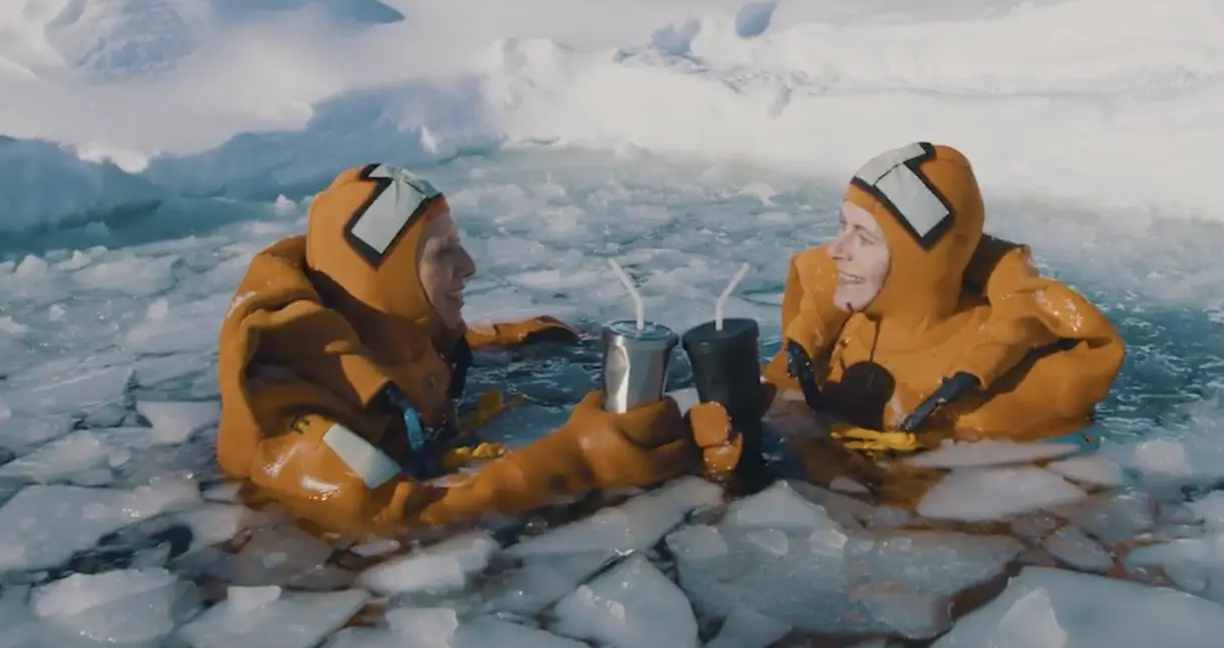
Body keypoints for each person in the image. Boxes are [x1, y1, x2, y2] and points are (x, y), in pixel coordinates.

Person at [215, 163, 727, 536]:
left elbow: (424, 351)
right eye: (442, 252)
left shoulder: (388, 337)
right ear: (382, 280)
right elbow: (394, 519)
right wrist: (579, 460)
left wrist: (518, 337)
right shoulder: (293, 413)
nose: (469, 265)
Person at [762, 142, 1125, 443]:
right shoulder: (825, 341)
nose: (835, 250)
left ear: (917, 262)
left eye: (865, 237)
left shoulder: (1025, 380)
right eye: (844, 226)